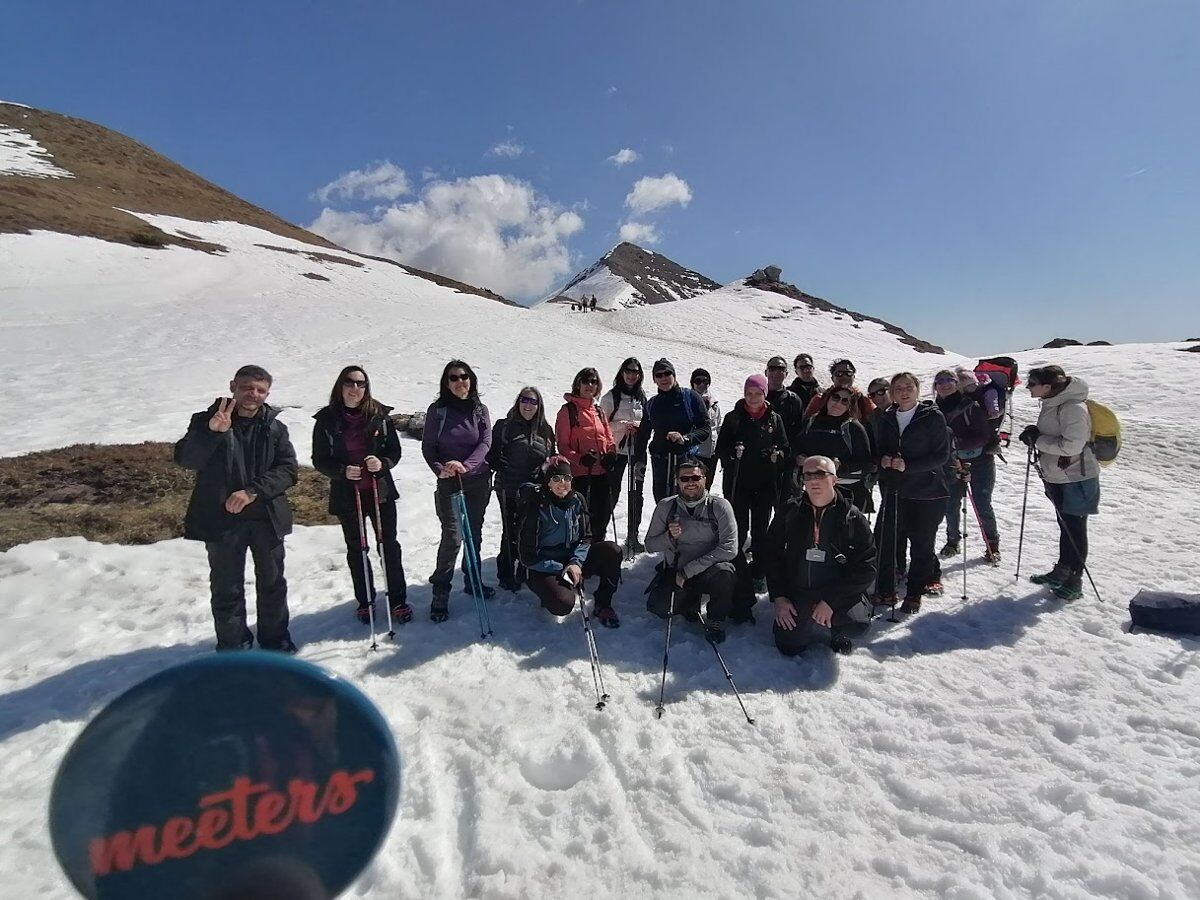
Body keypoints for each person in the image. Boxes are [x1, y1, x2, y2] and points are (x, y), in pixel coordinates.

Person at [175, 365, 299, 652]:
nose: (253, 395)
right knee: (226, 589)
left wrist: (253, 491)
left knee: (272, 584)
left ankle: (275, 641)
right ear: (233, 386)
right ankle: (233, 647)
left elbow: (288, 470)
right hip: (222, 520)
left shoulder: (275, 427)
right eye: (247, 388)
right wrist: (211, 433)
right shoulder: (207, 421)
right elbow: (187, 460)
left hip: (265, 517)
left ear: (267, 393)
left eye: (260, 390)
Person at [312, 366, 409, 625]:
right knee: (357, 549)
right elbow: (319, 459)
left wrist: (383, 463)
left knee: (389, 546)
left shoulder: (379, 416)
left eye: (361, 383)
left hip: (380, 492)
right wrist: (343, 471)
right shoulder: (327, 420)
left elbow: (394, 452)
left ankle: (398, 600)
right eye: (350, 382)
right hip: (348, 494)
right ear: (340, 386)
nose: (355, 388)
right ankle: (364, 601)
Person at [761, 455, 877, 656]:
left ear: (834, 479)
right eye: (808, 475)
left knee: (855, 624)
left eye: (821, 474)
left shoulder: (853, 518)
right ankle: (807, 618)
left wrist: (831, 601)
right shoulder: (790, 512)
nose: (814, 480)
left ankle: (837, 630)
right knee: (789, 646)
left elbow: (867, 566)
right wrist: (779, 597)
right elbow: (771, 554)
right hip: (800, 590)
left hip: (837, 592)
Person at [1019, 365, 1100, 601]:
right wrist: (1036, 433)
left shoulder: (1072, 407)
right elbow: (1054, 434)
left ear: (1048, 386)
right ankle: (1062, 570)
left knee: (1074, 528)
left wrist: (1039, 440)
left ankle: (1075, 580)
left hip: (1077, 477)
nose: (1028, 387)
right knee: (1066, 525)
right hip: (1059, 475)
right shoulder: (1053, 403)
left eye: (1032, 383)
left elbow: (1072, 446)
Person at [422, 359, 494, 622]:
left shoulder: (479, 409)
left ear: (471, 379)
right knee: (452, 537)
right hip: (449, 481)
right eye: (453, 377)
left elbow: (486, 442)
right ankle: (440, 590)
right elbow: (428, 446)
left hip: (477, 479)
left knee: (473, 532)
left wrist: (466, 465)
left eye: (464, 376)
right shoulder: (438, 411)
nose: (460, 381)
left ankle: (472, 580)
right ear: (446, 382)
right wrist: (440, 468)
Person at [873, 372, 949, 613]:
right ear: (892, 394)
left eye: (908, 387)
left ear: (917, 389)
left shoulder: (931, 416)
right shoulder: (887, 418)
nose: (903, 392)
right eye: (898, 388)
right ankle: (885, 590)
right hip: (896, 490)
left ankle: (914, 593)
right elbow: (879, 449)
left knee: (922, 545)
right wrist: (882, 459)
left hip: (928, 492)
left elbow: (941, 455)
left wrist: (909, 466)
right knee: (886, 541)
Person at [714, 374, 790, 619]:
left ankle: (758, 572)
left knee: (760, 529)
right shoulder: (734, 417)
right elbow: (720, 449)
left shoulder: (774, 419)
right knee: (739, 527)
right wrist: (732, 453)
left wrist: (778, 454)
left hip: (765, 483)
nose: (753, 398)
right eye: (750, 393)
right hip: (738, 482)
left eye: (758, 393)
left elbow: (786, 448)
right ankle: (738, 569)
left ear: (765, 394)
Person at [517, 457, 622, 626]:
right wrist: (562, 569)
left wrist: (576, 563)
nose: (562, 483)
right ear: (548, 482)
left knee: (612, 551)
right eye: (556, 479)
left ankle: (603, 603)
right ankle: (549, 591)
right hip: (542, 564)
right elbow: (527, 556)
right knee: (562, 604)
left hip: (572, 558)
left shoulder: (577, 500)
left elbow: (586, 537)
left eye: (567, 478)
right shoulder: (537, 505)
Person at [644, 460, 739, 643]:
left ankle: (716, 618)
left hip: (708, 570)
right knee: (659, 609)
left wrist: (688, 571)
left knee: (725, 573)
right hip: (676, 569)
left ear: (705, 479)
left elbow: (729, 548)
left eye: (696, 477)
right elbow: (650, 545)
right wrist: (669, 537)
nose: (690, 482)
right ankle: (689, 601)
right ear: (677, 481)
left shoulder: (719, 506)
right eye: (684, 478)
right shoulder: (666, 506)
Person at [487, 386, 556, 591]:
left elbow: (550, 456)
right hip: (508, 487)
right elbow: (491, 454)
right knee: (510, 530)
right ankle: (506, 572)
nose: (528, 405)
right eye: (524, 400)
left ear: (539, 405)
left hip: (533, 489)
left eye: (533, 402)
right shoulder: (504, 426)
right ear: (518, 402)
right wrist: (497, 462)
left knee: (529, 530)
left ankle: (525, 569)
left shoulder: (545, 429)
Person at [933, 369, 1000, 562]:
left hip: (979, 461)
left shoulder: (972, 406)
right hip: (951, 463)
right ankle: (952, 541)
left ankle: (992, 544)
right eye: (940, 381)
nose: (944, 384)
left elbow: (983, 434)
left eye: (949, 380)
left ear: (957, 384)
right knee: (951, 504)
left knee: (982, 503)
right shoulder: (935, 409)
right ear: (935, 386)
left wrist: (955, 442)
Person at [635, 358, 711, 503]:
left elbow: (705, 427)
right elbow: (643, 434)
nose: (664, 378)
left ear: (674, 375)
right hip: (660, 462)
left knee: (686, 504)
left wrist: (686, 438)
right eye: (659, 375)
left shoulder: (690, 397)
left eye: (667, 373)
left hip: (685, 462)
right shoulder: (652, 404)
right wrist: (639, 460)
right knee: (663, 503)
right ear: (654, 379)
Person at [556, 367, 618, 541]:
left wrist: (611, 454)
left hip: (602, 473)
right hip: (580, 475)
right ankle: (581, 559)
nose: (590, 385)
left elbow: (609, 437)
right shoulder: (568, 411)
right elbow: (562, 445)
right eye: (586, 381)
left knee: (602, 517)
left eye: (594, 381)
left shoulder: (599, 411)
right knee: (583, 519)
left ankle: (598, 556)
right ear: (578, 384)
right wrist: (580, 459)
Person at [793, 387, 873, 512]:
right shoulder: (812, 422)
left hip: (846, 490)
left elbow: (866, 461)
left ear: (850, 406)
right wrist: (799, 458)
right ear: (828, 399)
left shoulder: (853, 427)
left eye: (845, 401)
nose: (838, 403)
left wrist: (842, 465)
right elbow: (797, 447)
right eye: (835, 398)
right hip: (814, 487)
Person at [601, 357, 647, 555]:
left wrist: (639, 428)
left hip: (636, 451)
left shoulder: (641, 396)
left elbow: (647, 421)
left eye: (635, 372)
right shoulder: (610, 397)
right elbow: (602, 427)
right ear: (621, 373)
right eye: (628, 371)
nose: (631, 375)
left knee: (636, 493)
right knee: (611, 492)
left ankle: (632, 535)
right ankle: (599, 534)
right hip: (616, 452)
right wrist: (623, 426)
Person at [804, 359, 877, 424]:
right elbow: (805, 425)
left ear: (854, 377)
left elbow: (876, 425)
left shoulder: (863, 401)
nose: (844, 377)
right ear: (832, 378)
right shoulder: (819, 399)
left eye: (848, 374)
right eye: (839, 374)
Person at [690, 367, 721, 483]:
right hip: (694, 454)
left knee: (707, 486)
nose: (702, 384)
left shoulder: (714, 404)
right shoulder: (688, 401)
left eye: (705, 381)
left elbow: (717, 426)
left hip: (711, 454)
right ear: (693, 383)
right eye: (698, 381)